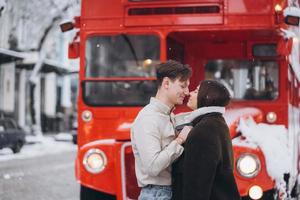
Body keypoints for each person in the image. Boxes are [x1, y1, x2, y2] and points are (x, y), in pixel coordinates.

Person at [131, 60, 193, 200]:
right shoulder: (148, 119)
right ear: (166, 83)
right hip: (157, 194)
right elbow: (153, 167)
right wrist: (180, 140)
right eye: (182, 86)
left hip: (165, 192)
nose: (187, 92)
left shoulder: (168, 115)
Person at [172, 80, 241, 200]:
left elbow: (197, 186)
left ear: (206, 98)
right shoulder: (217, 123)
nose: (190, 94)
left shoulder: (203, 130)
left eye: (196, 91)